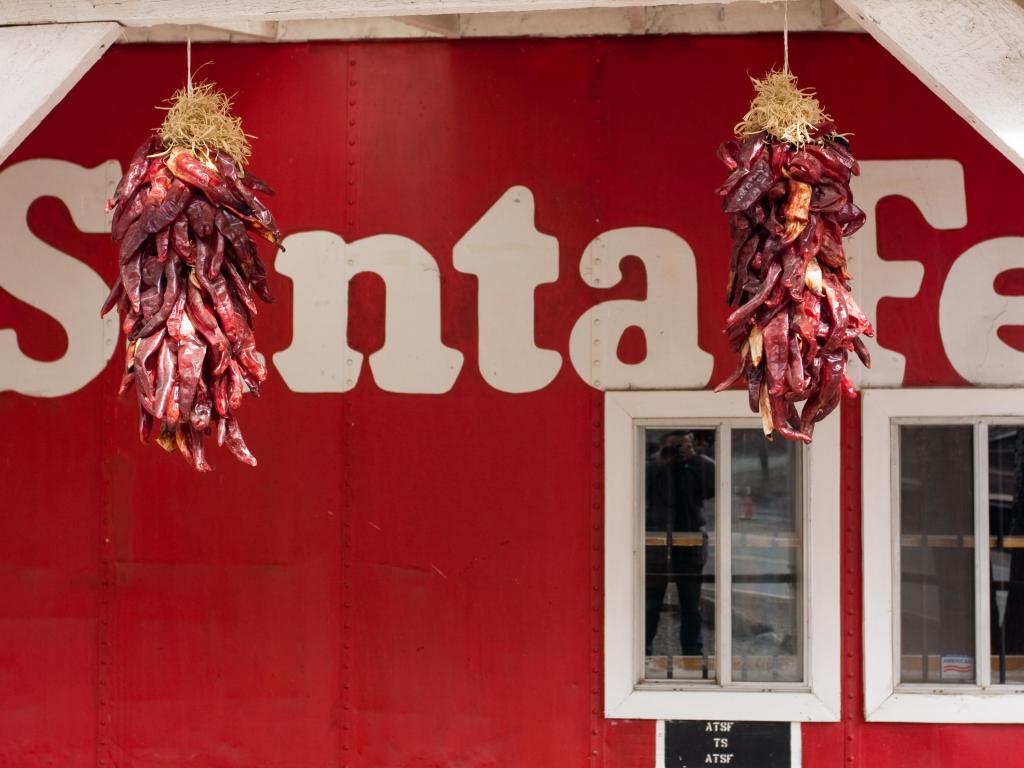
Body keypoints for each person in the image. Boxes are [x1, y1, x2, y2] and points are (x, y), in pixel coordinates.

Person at [644, 431, 713, 657]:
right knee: (650, 604)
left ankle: (692, 653)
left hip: (689, 544)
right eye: (671, 446)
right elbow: (638, 487)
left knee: (691, 605)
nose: (675, 452)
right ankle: (643, 650)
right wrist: (659, 462)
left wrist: (693, 459)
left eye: (680, 446)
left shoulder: (693, 466)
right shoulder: (652, 467)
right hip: (656, 544)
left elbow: (714, 486)